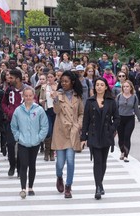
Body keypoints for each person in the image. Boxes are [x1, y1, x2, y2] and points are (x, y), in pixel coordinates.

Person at [81, 77, 120, 200]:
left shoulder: (111, 101)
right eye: (97, 85)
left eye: (101, 85)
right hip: (93, 135)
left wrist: (112, 129)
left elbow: (117, 118)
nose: (99, 87)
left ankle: (100, 183)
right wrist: (83, 137)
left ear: (106, 87)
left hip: (106, 135)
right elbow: (85, 120)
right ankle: (97, 187)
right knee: (97, 161)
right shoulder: (90, 101)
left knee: (103, 161)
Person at [51, 70, 84, 199]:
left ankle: (68, 186)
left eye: (66, 81)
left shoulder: (78, 96)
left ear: (72, 82)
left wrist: (78, 125)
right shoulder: (58, 94)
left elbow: (81, 113)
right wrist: (55, 99)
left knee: (70, 160)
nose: (63, 83)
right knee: (60, 162)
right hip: (60, 131)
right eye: (62, 81)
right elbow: (56, 111)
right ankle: (59, 176)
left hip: (73, 131)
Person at [11, 86, 48, 199]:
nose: (28, 98)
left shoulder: (39, 110)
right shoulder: (18, 110)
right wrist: (18, 137)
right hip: (23, 142)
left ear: (34, 96)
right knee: (23, 164)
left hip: (35, 142)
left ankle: (30, 187)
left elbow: (44, 125)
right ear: (23, 96)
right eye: (26, 96)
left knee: (32, 164)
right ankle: (23, 188)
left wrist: (39, 137)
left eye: (30, 96)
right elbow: (13, 126)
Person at [2, 69, 28, 177]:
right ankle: (12, 165)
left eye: (11, 78)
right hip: (11, 121)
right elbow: (3, 103)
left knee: (22, 145)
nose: (9, 80)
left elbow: (33, 102)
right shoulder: (9, 90)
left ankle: (20, 168)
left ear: (17, 78)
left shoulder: (27, 90)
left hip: (24, 122)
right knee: (11, 144)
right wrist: (8, 112)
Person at [116, 80, 140, 162]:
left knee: (127, 137)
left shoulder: (134, 97)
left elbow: (136, 109)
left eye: (127, 86)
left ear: (131, 87)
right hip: (120, 118)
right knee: (121, 137)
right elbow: (115, 108)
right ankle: (122, 152)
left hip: (130, 118)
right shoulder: (119, 96)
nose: (125, 88)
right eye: (124, 86)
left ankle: (126, 155)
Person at [39, 70, 58, 161]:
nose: (50, 79)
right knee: (48, 130)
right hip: (47, 110)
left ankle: (52, 152)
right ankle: (47, 151)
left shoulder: (57, 86)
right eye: (48, 77)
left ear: (54, 77)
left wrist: (55, 92)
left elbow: (61, 99)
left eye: (51, 77)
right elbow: (40, 99)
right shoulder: (44, 87)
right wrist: (42, 102)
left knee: (55, 131)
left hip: (55, 110)